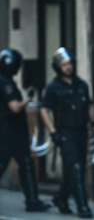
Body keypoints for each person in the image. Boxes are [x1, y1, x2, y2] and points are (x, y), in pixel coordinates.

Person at [40, 47, 94, 218]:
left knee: (77, 169)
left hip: (81, 132)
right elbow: (44, 110)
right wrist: (53, 131)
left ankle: (61, 198)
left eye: (70, 63)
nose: (68, 67)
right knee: (75, 168)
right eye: (64, 64)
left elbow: (90, 106)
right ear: (58, 67)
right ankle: (82, 206)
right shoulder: (53, 87)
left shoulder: (82, 85)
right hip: (65, 133)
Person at [0, 49, 51, 212]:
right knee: (15, 164)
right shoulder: (5, 82)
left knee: (26, 164)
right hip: (9, 131)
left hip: (11, 131)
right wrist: (28, 98)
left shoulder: (4, 80)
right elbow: (14, 107)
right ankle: (32, 200)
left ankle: (33, 200)